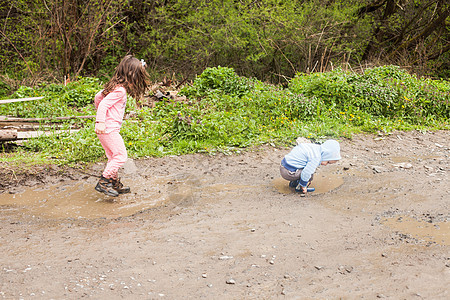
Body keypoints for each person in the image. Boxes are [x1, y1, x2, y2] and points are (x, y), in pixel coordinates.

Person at [94, 55, 149, 197]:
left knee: (113, 157)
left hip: (106, 130)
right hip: (109, 130)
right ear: (131, 75)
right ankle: (104, 182)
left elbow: (98, 97)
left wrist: (102, 118)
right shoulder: (120, 91)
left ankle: (113, 182)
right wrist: (100, 121)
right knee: (120, 156)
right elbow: (104, 103)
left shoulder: (115, 87)